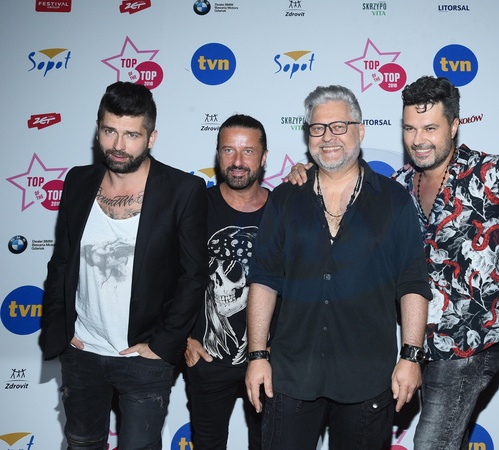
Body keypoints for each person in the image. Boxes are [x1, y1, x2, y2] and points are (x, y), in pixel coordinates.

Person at [284, 75, 499, 450]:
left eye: (430, 128)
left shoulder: (492, 175)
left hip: (470, 348)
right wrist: (309, 172)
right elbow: (344, 187)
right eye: (410, 128)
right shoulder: (398, 186)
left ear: (454, 126)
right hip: (418, 347)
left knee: (432, 443)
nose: (418, 139)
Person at [244, 85, 433, 450]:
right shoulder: (285, 198)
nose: (327, 137)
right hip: (291, 376)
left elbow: (412, 282)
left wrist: (411, 356)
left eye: (339, 126)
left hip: (367, 379)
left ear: (360, 131)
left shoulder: (393, 200)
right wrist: (256, 355)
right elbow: (264, 280)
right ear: (308, 136)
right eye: (318, 128)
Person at [40, 81, 208, 450]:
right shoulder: (78, 181)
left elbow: (194, 277)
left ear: (151, 138)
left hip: (144, 356)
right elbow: (62, 261)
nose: (118, 145)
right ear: (97, 130)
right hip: (82, 351)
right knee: (81, 443)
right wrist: (60, 326)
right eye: (109, 131)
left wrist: (163, 344)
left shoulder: (182, 190)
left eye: (132, 134)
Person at [184, 114, 270, 449]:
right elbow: (165, 276)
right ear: (218, 154)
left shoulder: (283, 210)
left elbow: (301, 284)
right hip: (207, 360)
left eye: (248, 151)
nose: (237, 161)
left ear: (263, 157)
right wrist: (181, 340)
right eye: (228, 150)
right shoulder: (195, 207)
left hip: (269, 362)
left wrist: (283, 347)